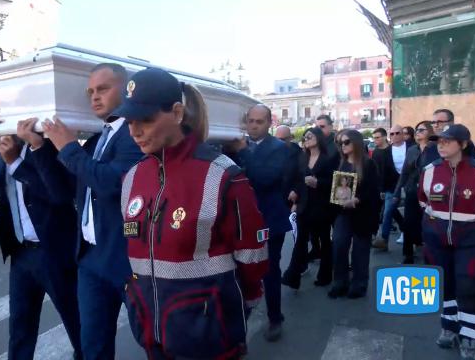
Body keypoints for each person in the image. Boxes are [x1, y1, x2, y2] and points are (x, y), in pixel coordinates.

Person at [117, 67, 268, 359]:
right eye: (130, 121)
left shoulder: (222, 174)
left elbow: (252, 254)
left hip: (208, 336)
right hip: (151, 331)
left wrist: (241, 306)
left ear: (176, 113)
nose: (135, 131)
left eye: (145, 120)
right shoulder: (133, 177)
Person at [36, 63, 143, 359]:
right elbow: (65, 190)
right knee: (93, 347)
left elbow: (110, 183)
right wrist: (39, 148)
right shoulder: (97, 139)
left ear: (126, 90)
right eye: (90, 91)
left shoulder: (135, 136)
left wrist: (69, 147)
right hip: (91, 260)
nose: (94, 97)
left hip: (125, 259)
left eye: (103, 89)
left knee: (152, 341)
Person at [0, 121, 83, 359]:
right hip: (20, 254)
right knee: (20, 327)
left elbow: (58, 195)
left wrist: (16, 163)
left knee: (75, 322)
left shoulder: (47, 148)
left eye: (0, 111)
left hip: (54, 252)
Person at [419, 124, 475, 359]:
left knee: (469, 285)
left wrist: (474, 225)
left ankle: (471, 337)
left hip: (471, 238)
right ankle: (449, 326)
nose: (441, 145)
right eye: (439, 141)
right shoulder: (429, 170)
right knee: (445, 284)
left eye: (447, 141)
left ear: (463, 144)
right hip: (436, 237)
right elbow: (423, 201)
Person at [229, 104, 291, 342]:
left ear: (269, 123)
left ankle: (275, 318)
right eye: (250, 121)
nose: (254, 126)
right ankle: (240, 318)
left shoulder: (278, 148)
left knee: (269, 270)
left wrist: (244, 151)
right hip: (242, 219)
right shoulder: (234, 145)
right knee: (239, 269)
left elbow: (265, 179)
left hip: (270, 219)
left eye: (259, 122)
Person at [282, 127, 339, 289]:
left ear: (318, 138)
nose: (307, 139)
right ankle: (292, 276)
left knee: (324, 240)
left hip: (322, 206)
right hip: (304, 205)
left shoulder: (329, 158)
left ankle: (325, 275)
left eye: (310, 136)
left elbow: (336, 183)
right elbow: (299, 180)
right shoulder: (302, 157)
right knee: (300, 241)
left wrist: (318, 183)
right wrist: (295, 192)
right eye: (305, 137)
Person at [329, 130, 379, 299]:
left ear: (356, 142)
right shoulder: (341, 164)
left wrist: (356, 200)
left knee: (360, 250)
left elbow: (373, 191)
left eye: (346, 142)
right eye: (340, 143)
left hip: (363, 214)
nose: (343, 145)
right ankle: (340, 281)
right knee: (339, 245)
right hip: (343, 213)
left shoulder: (368, 164)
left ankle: (359, 283)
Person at [393, 121, 435, 263]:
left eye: (421, 130)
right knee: (409, 222)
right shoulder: (412, 150)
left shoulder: (435, 149)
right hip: (412, 191)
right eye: (416, 130)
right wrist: (397, 192)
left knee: (430, 223)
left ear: (429, 132)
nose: (417, 132)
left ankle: (430, 253)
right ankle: (408, 254)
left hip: (430, 193)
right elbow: (404, 173)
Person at [372, 126, 406, 251]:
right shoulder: (380, 152)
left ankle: (407, 231)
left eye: (397, 133)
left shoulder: (407, 148)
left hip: (405, 184)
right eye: (393, 134)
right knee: (387, 211)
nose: (395, 136)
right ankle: (383, 239)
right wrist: (380, 188)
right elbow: (379, 172)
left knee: (389, 211)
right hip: (389, 187)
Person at [275, 125, 302, 204]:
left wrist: (296, 190)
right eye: (278, 139)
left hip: (292, 198)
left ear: (290, 138)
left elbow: (303, 174)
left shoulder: (298, 153)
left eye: (283, 139)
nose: (281, 142)